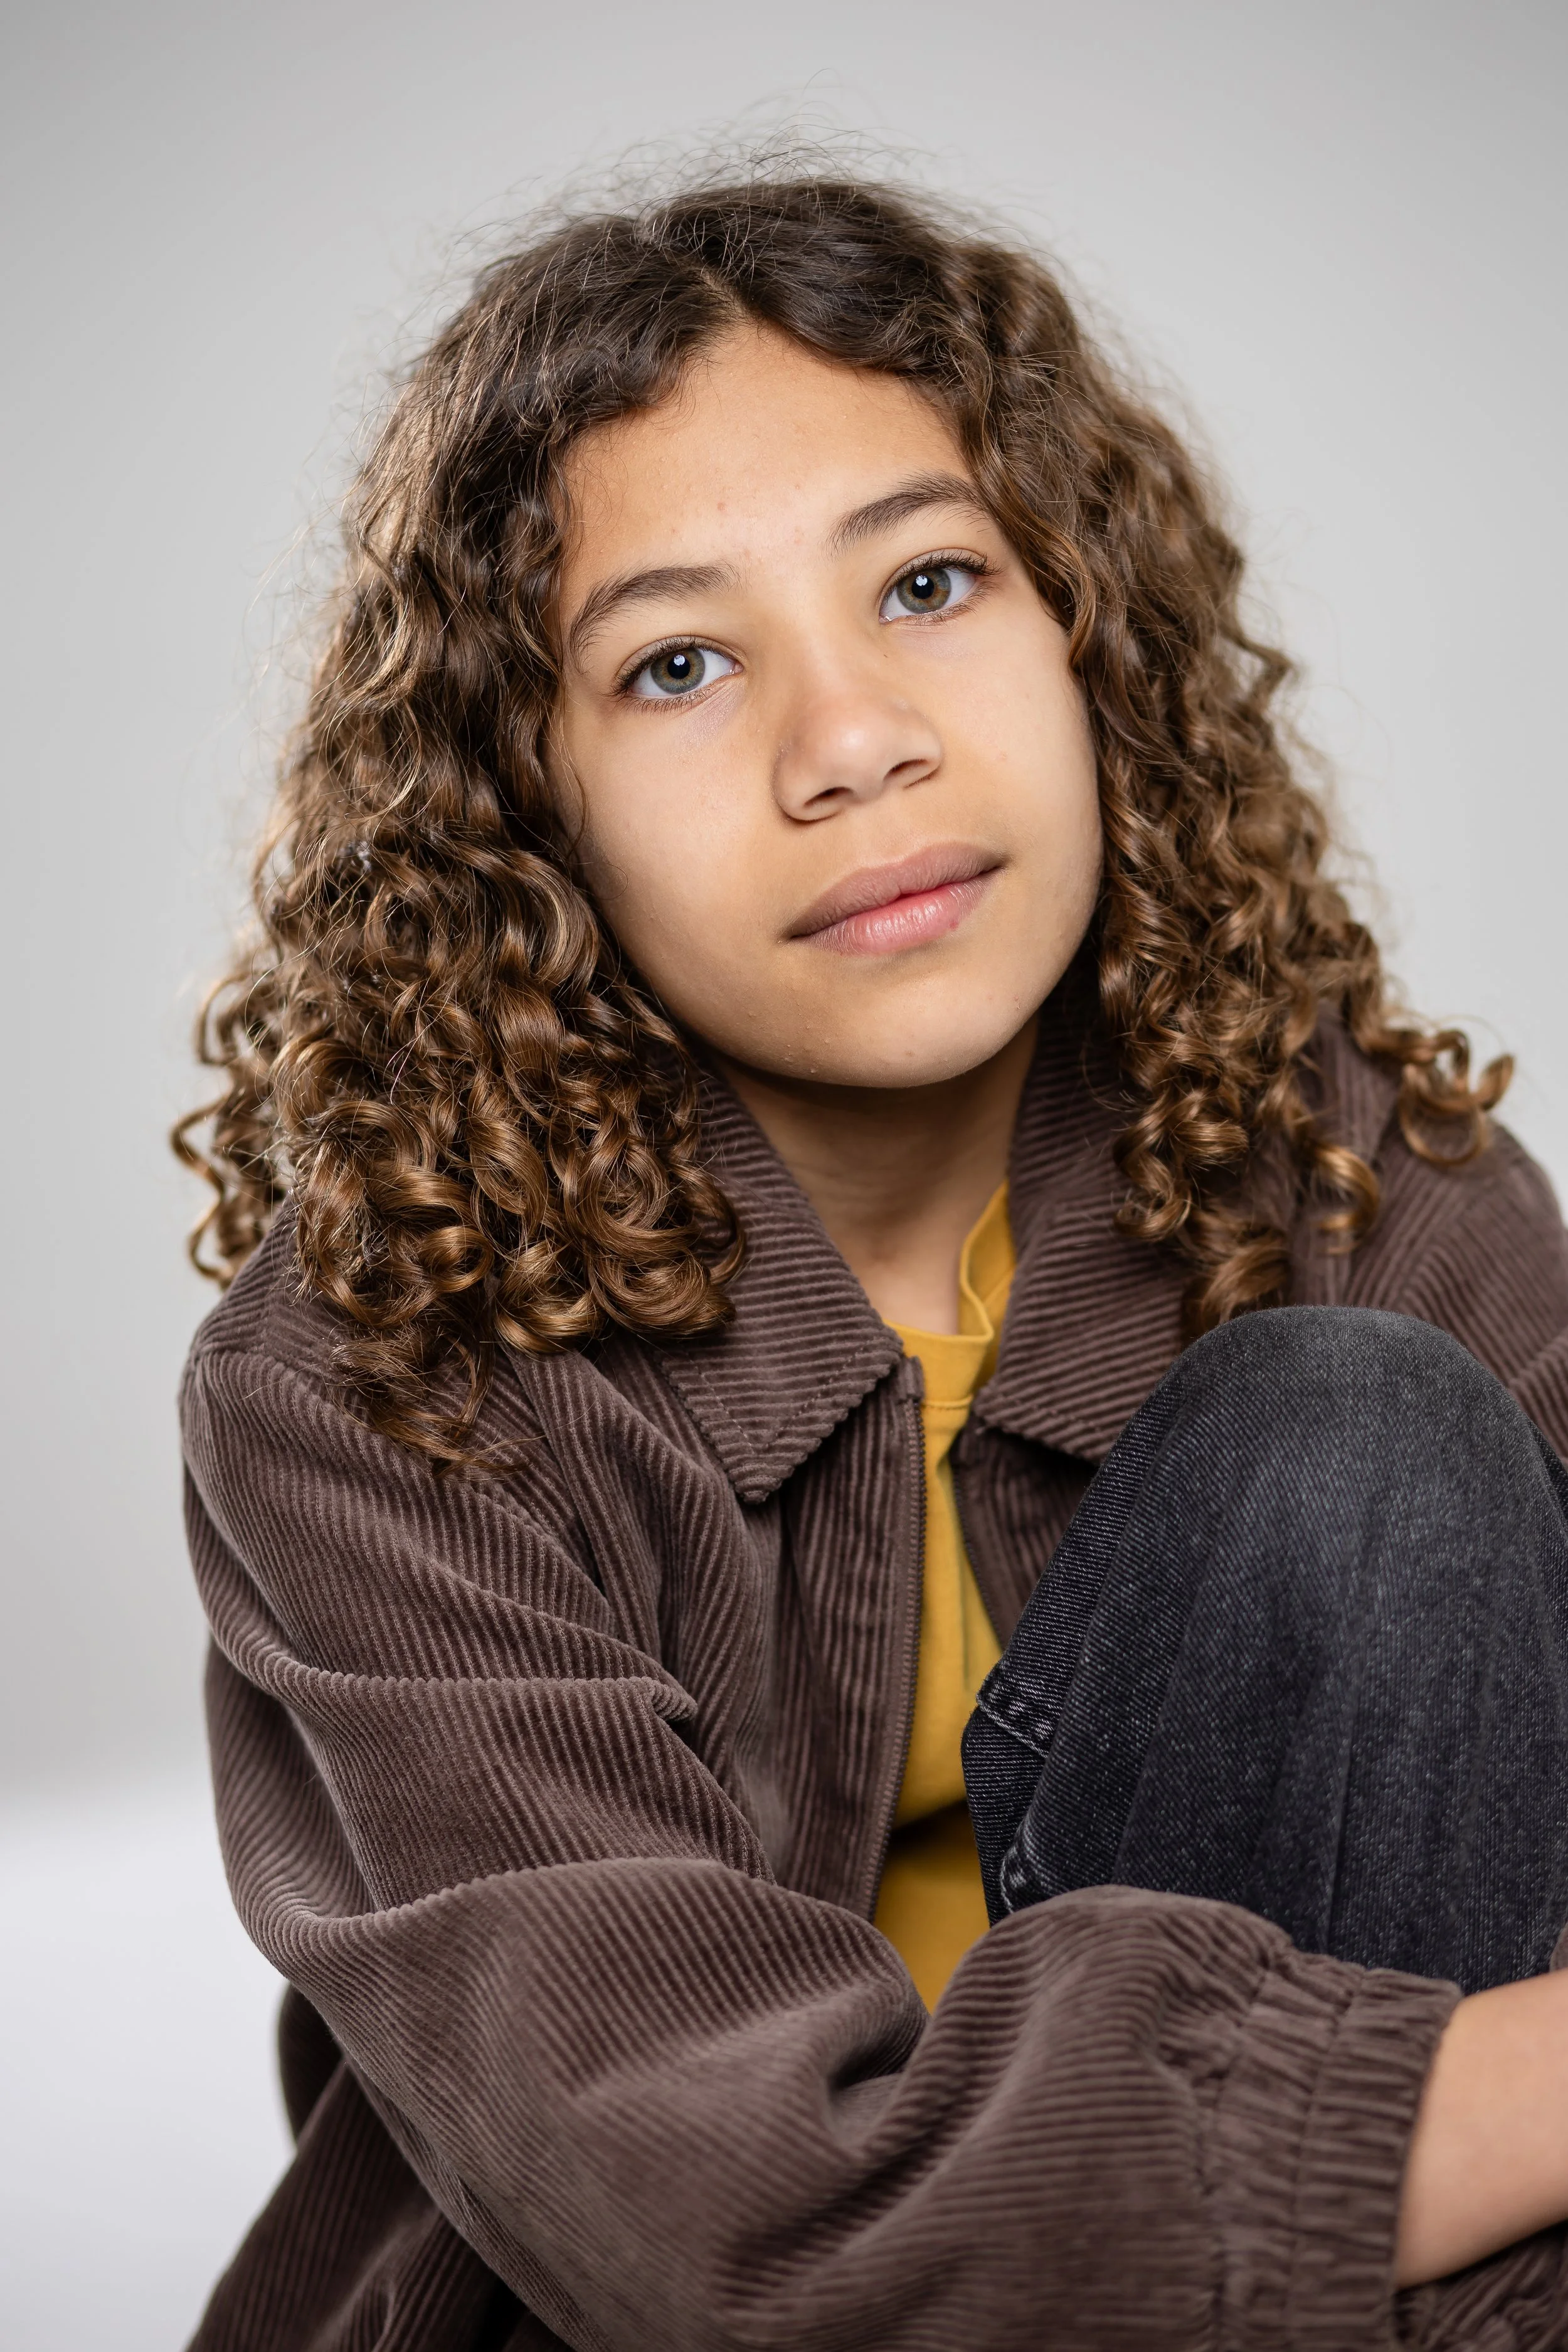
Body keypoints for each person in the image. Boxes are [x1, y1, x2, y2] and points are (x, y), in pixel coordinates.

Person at [175, 169, 1568, 2349]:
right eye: (679, 662)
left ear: (1086, 636)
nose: (850, 745)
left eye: (927, 580)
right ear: (529, 816)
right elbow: (721, 2231)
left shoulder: (1356, 1176)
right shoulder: (371, 1383)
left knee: (1346, 1438)